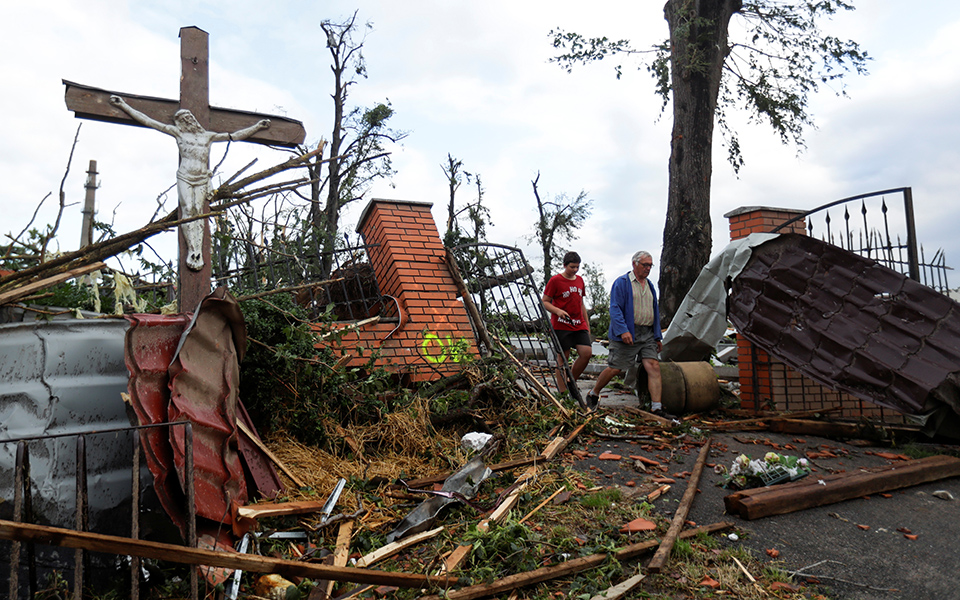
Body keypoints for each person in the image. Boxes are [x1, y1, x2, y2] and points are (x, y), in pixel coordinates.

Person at [109, 95, 270, 271]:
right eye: (180, 120)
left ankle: (198, 251)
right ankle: (191, 250)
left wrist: (256, 127)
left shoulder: (207, 137)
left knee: (198, 213)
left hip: (202, 178)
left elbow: (235, 136)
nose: (184, 122)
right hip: (185, 175)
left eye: (186, 118)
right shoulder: (179, 133)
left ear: (192, 119)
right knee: (188, 210)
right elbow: (149, 121)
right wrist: (124, 106)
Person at [585, 251, 665, 415]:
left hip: (647, 334)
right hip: (628, 332)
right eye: (645, 265)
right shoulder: (622, 283)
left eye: (651, 265)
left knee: (653, 366)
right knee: (616, 368)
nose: (648, 268)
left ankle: (657, 408)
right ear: (634, 264)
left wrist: (657, 336)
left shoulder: (649, 285)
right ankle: (593, 393)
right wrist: (623, 331)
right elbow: (615, 309)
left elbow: (654, 311)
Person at [542, 252, 593, 387]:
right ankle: (562, 393)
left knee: (586, 353)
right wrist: (558, 311)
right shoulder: (555, 281)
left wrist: (587, 326)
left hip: (578, 324)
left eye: (577, 267)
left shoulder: (580, 280)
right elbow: (545, 302)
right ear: (565, 265)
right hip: (561, 325)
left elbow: (581, 303)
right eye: (572, 267)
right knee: (562, 358)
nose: (575, 270)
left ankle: (571, 381)